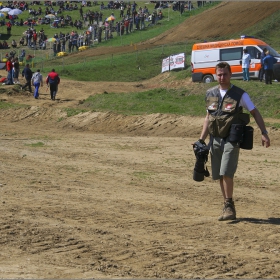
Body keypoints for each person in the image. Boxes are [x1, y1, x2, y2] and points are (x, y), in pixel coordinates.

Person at [198, 62, 270, 221]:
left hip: (232, 139)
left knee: (226, 172)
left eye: (225, 74)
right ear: (216, 75)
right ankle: (226, 204)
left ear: (230, 75)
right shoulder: (211, 93)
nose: (222, 77)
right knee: (219, 175)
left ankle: (229, 205)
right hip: (215, 139)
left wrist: (264, 132)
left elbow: (255, 112)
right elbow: (208, 118)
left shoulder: (240, 95)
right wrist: (201, 140)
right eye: (219, 74)